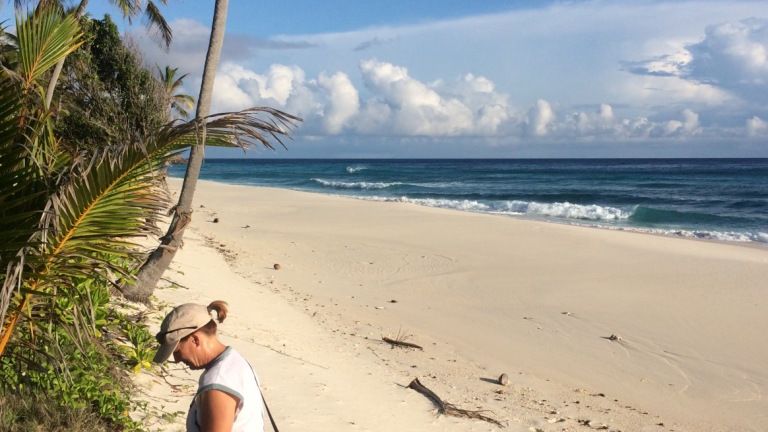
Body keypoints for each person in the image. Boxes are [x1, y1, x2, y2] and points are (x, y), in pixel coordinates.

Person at [154, 300, 265, 432]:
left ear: (195, 340)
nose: (177, 359)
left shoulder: (217, 382)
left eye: (177, 351)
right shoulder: (236, 362)